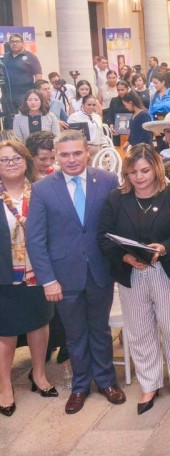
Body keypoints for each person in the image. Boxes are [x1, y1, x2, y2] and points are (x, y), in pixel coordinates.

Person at [26, 130, 126, 414]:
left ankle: (107, 381)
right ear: (57, 157)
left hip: (99, 271)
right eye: (65, 154)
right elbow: (35, 239)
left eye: (76, 153)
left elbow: (117, 224)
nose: (71, 159)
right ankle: (80, 385)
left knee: (100, 329)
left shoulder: (106, 181)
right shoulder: (44, 189)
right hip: (63, 276)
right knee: (75, 334)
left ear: (87, 152)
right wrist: (47, 279)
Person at [97, 145, 170, 413]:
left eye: (145, 171)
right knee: (139, 330)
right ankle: (149, 383)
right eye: (133, 172)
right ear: (126, 173)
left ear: (156, 169)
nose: (139, 177)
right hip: (132, 272)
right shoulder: (116, 199)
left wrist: (162, 248)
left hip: (167, 269)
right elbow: (104, 235)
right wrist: (125, 258)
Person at [0, 141, 57, 417]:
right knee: (5, 332)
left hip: (38, 272)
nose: (10, 163)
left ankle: (39, 375)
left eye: (15, 158)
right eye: (3, 160)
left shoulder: (40, 192)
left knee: (39, 323)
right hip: (4, 274)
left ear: (26, 160)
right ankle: (4, 387)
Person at [0, 33, 42, 128]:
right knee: (9, 120)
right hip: (7, 96)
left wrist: (36, 94)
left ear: (22, 43)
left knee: (24, 119)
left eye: (17, 41)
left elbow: (39, 77)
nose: (14, 44)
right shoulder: (5, 57)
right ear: (9, 44)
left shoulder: (31, 57)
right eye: (12, 42)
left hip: (24, 95)